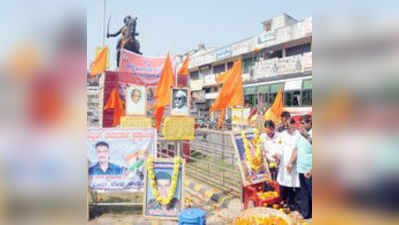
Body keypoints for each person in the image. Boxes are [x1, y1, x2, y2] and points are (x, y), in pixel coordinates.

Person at [287, 115, 312, 219]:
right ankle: (305, 214)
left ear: (310, 123)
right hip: (301, 168)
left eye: (303, 123)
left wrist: (311, 169)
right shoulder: (299, 135)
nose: (300, 125)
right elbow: (296, 150)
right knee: (304, 192)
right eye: (300, 123)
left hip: (311, 168)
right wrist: (290, 163)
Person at [276, 118, 300, 211]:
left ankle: (295, 205)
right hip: (284, 162)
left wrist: (291, 162)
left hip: (295, 161)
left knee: (296, 184)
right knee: (285, 183)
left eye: (290, 124)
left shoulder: (299, 135)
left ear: (294, 124)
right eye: (287, 125)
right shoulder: (282, 135)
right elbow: (279, 147)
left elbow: (298, 149)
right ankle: (286, 203)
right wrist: (277, 155)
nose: (288, 127)